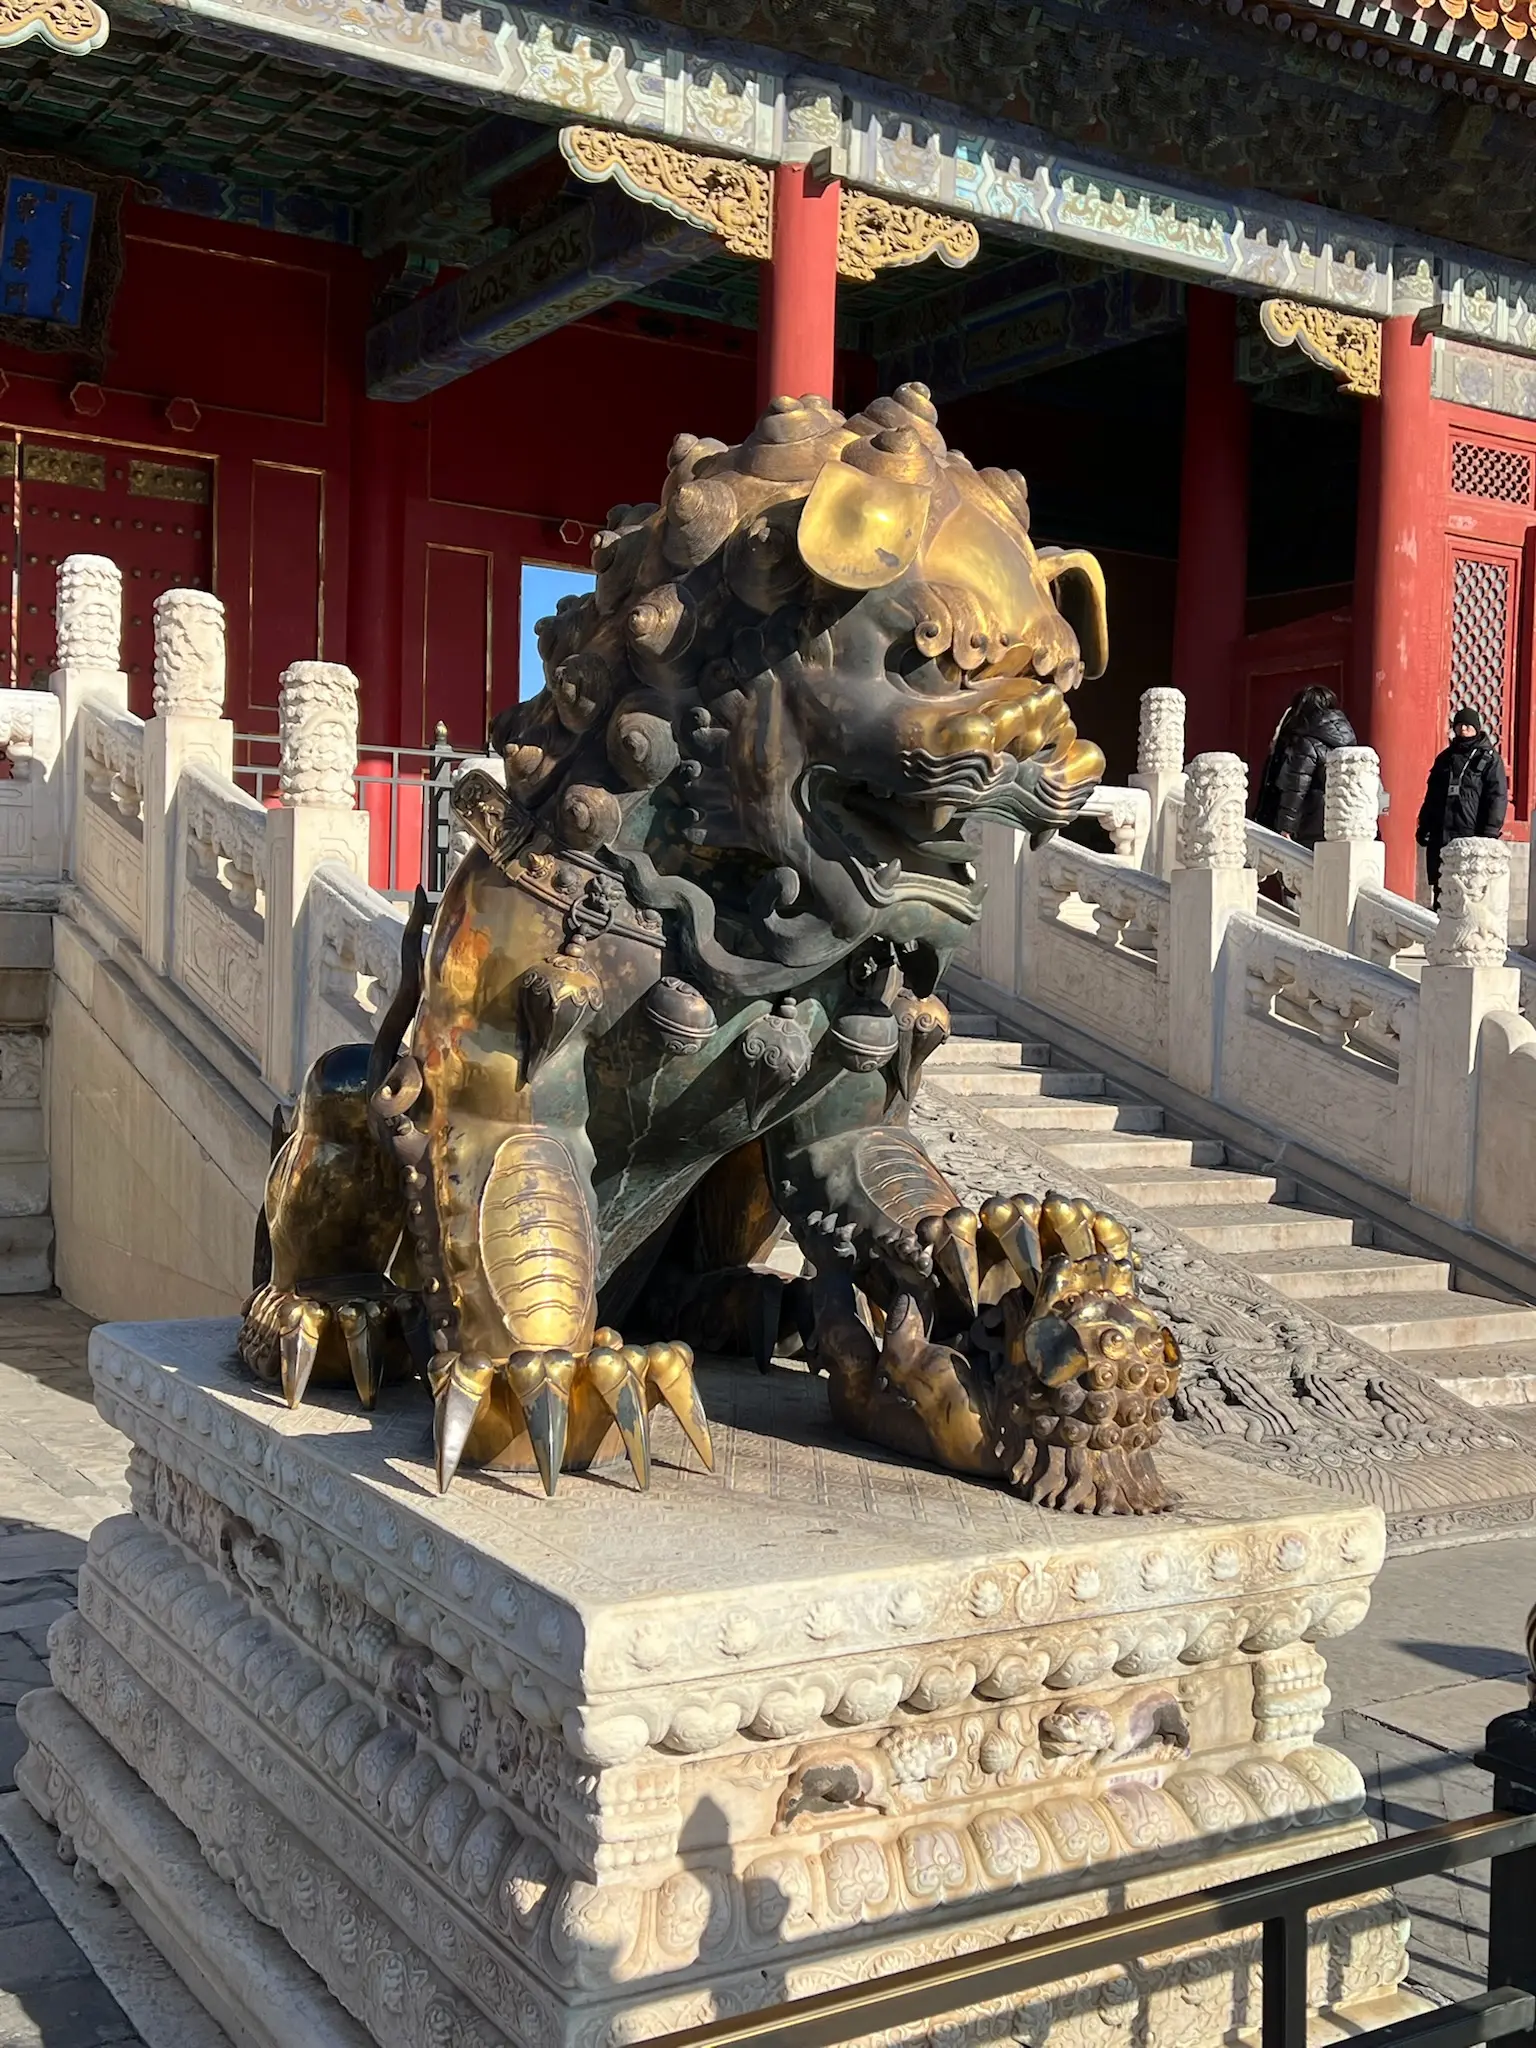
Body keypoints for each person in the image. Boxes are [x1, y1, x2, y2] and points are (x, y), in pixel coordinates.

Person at [1416, 706, 1508, 907]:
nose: (1463, 729)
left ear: (1477, 728)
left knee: (1467, 891)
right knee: (1441, 886)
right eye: (1459, 725)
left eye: (1468, 725)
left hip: (1470, 831)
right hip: (1442, 832)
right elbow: (1432, 796)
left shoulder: (1489, 759)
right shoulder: (1444, 758)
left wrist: (1490, 832)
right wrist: (1424, 824)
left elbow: (1497, 797)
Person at [1254, 684, 1358, 848]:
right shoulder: (1347, 739)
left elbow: (1296, 786)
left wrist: (1285, 827)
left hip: (1308, 824)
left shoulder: (1306, 743)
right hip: (1339, 821)